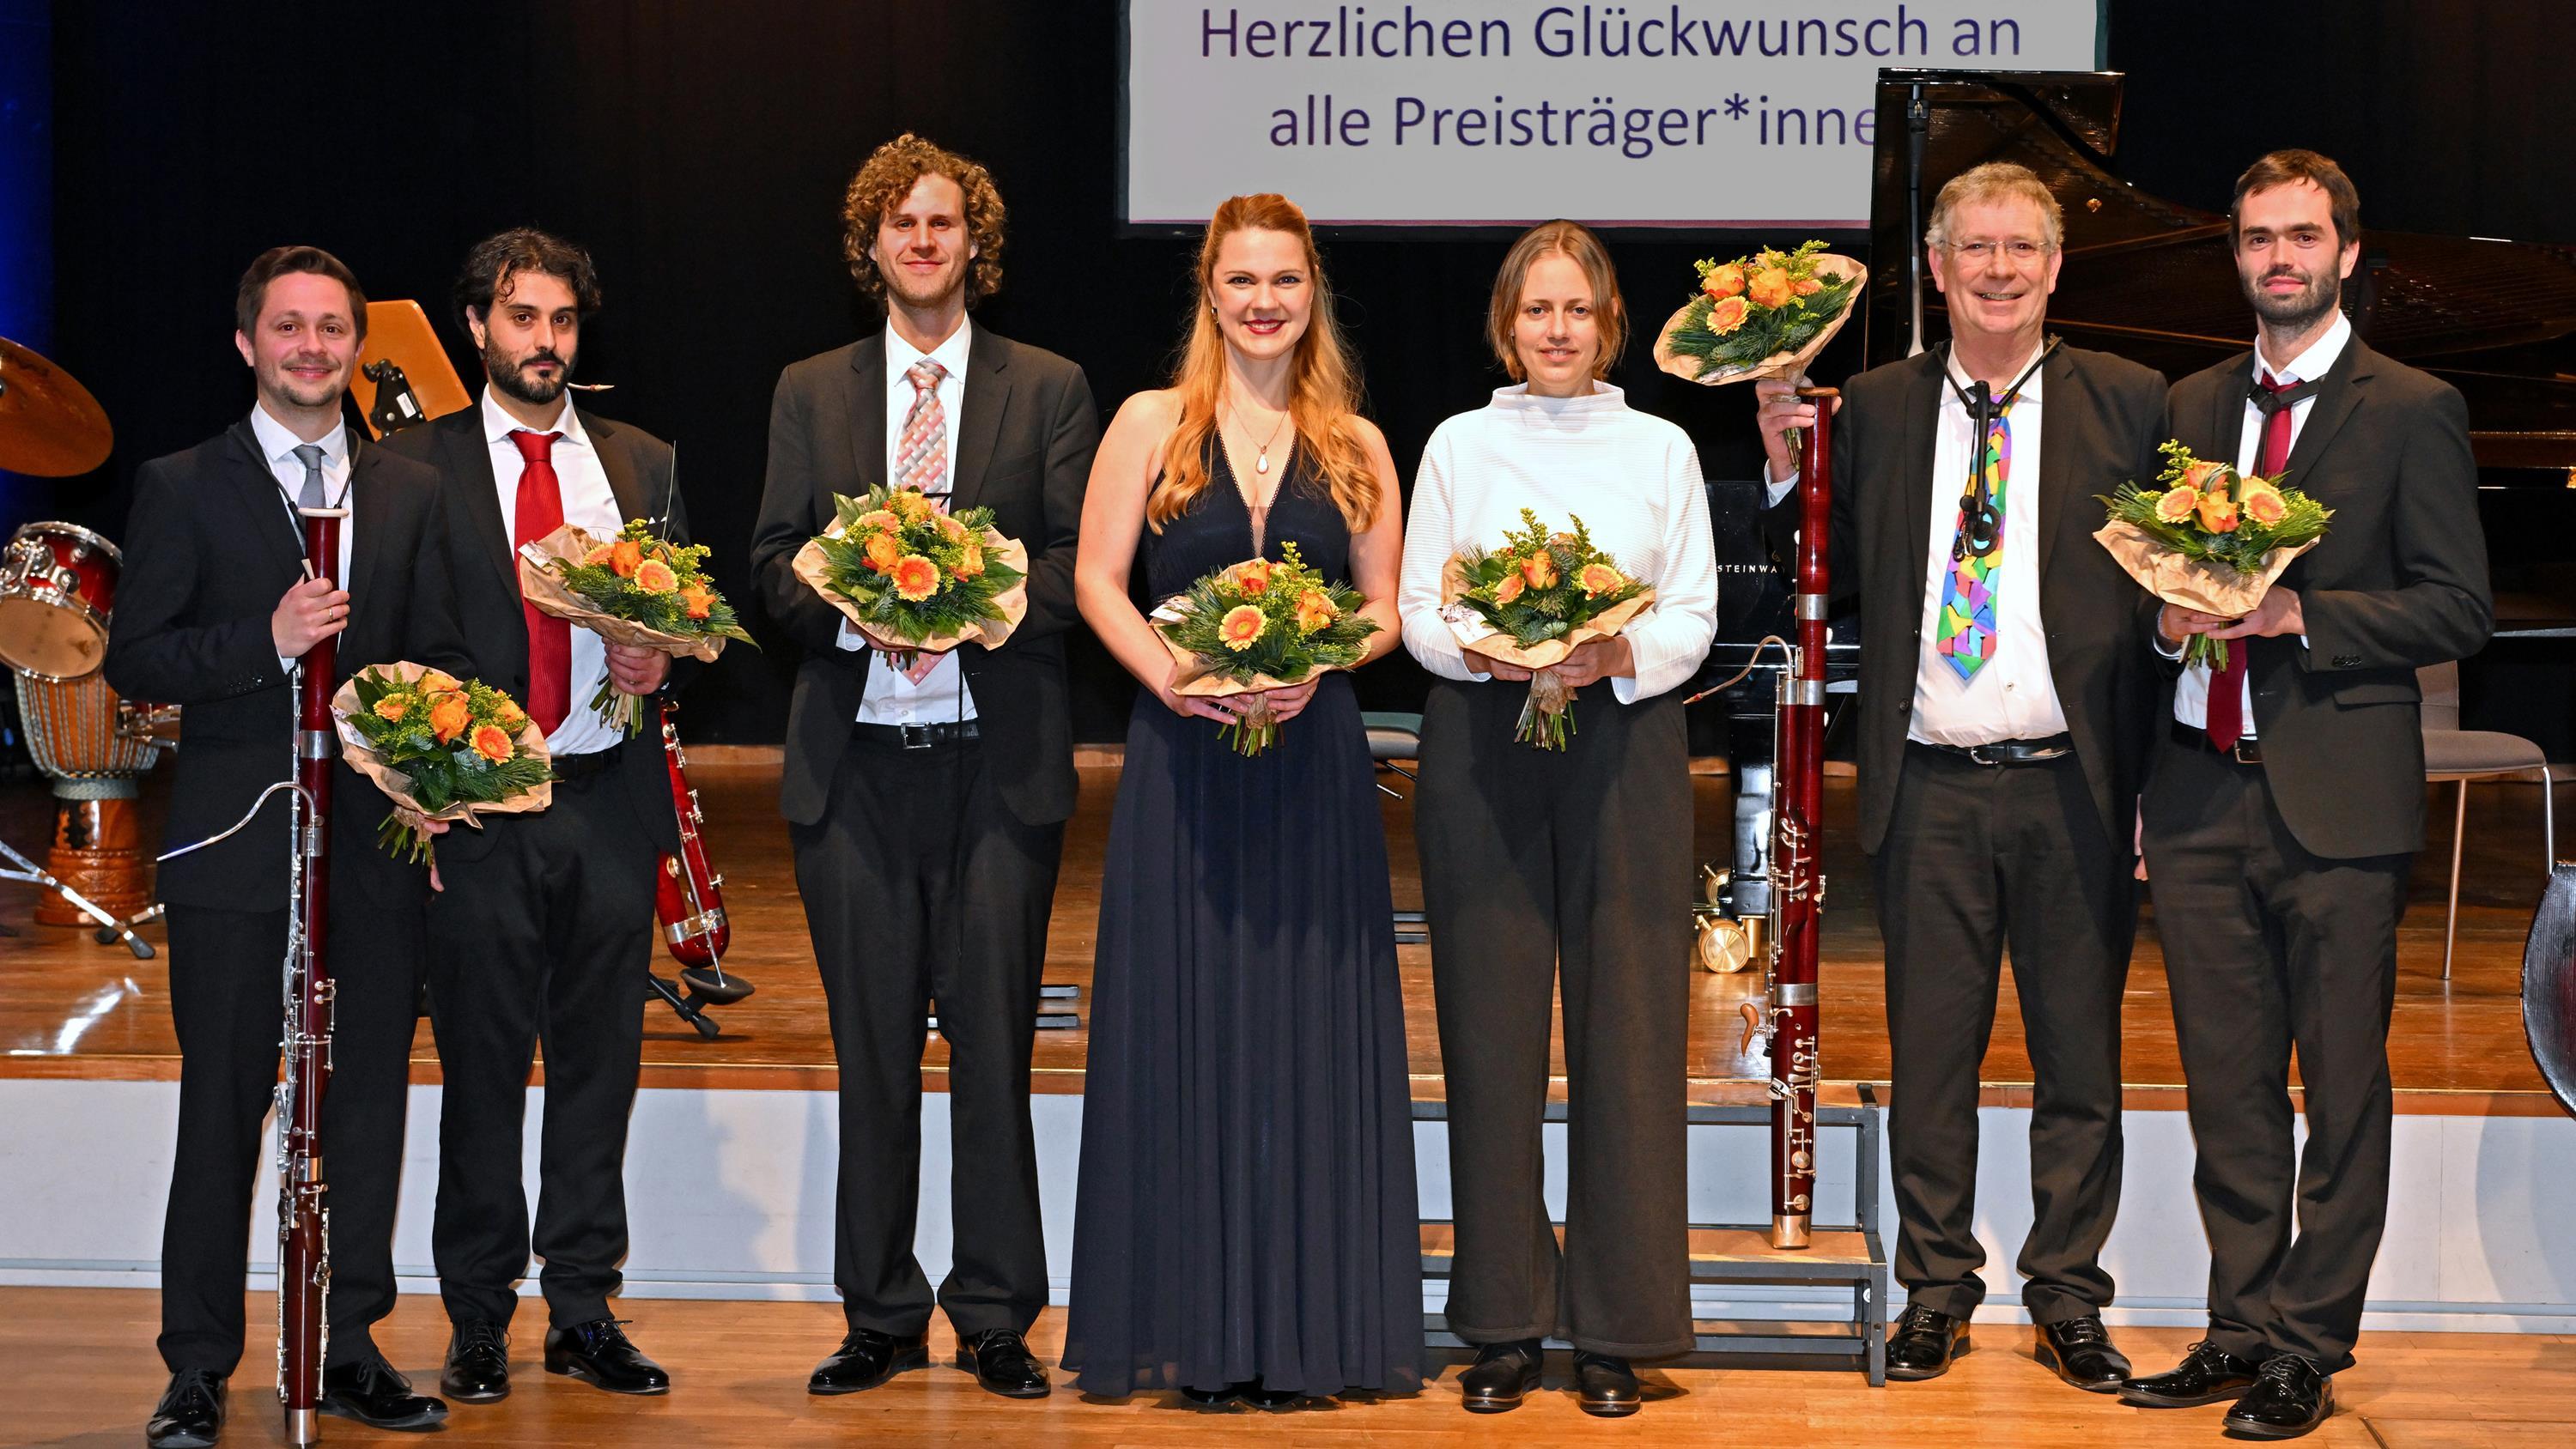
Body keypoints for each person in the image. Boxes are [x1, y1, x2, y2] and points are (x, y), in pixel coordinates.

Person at [1753, 161, 2167, 1390]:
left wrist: (2157, 786)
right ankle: (1933, 1294)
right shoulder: (1873, 405)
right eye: (1974, 249)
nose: (1997, 270)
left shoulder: (2137, 401)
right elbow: (1799, 560)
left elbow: (2169, 593)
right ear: (1935, 268)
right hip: (1927, 784)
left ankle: (2067, 1297)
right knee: (1932, 1062)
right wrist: (1785, 464)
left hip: (2074, 784)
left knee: (2078, 1066)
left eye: (2020, 250)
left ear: (2054, 267)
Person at [2123, 150, 2490, 1440]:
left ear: (2345, 252)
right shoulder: (2190, 400)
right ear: (2233, 256)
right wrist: (2171, 630)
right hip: (2196, 793)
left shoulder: (2412, 404)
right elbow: (2149, 598)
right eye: (2258, 239)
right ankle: (2238, 1324)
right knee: (2227, 1087)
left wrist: (2301, 613)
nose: (2280, 258)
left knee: (2340, 1088)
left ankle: (2308, 1345)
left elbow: (2460, 604)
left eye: (2303, 237)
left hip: (2337, 806)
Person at [747, 133, 1097, 1401]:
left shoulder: (1050, 386)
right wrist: (858, 613)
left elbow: (1073, 565)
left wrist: (973, 604)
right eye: (901, 225)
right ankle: (881, 1314)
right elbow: (774, 553)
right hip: (855, 774)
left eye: (944, 223)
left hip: (997, 769)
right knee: (875, 1052)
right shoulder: (811, 388)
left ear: (975, 243)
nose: (923, 242)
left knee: (995, 1049)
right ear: (872, 246)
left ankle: (998, 1312)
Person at [1062, 192, 1420, 1409]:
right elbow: (1096, 581)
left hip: (1314, 763)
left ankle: (1307, 1336)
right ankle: (1201, 1339)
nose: (1264, 301)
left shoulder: (1358, 444)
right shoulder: (1150, 423)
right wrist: (1177, 675)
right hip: (1184, 757)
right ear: (1209, 293)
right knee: (1189, 1028)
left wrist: (1320, 660)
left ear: (1312, 291)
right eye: (1241, 281)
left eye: (1286, 280)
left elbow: (1388, 609)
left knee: (1304, 1039)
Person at [107, 245, 454, 1447]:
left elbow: (441, 661)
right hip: (235, 853)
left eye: (333, 330)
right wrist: (263, 638)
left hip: (370, 849)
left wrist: (436, 775)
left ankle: (347, 1343)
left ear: (359, 348)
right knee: (223, 1109)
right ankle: (196, 1365)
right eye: (289, 328)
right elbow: (139, 656)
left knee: (361, 1106)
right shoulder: (182, 483)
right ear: (248, 344)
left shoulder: (406, 487)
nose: (313, 348)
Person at [1396, 220, 1717, 1417]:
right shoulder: (1457, 446)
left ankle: (1617, 1329)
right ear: (1505, 322)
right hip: (1484, 746)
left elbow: (1689, 613)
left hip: (1626, 744)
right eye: (1537, 310)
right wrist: (1496, 647)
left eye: (1577, 309)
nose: (1557, 329)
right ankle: (1504, 1322)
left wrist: (1609, 649)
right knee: (1489, 1034)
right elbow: (1421, 611)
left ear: (1609, 322)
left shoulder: (1663, 445)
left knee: (1630, 1037)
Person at [380, 227, 685, 1403]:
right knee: (483, 1068)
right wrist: (425, 800)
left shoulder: (642, 464)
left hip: (609, 802)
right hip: (481, 820)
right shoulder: (414, 466)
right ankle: (474, 1314)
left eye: (562, 322)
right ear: (478, 328)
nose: (545, 342)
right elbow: (388, 650)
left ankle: (582, 1306)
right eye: (523, 319)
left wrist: (664, 666)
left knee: (600, 1068)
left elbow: (681, 623)